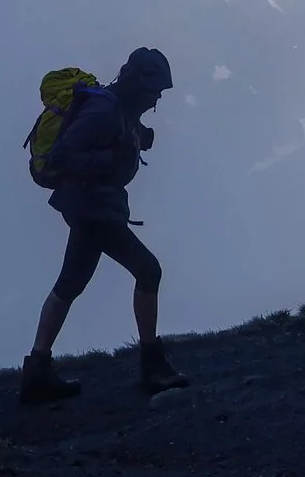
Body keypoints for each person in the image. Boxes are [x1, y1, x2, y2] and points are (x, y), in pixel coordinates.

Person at [19, 47, 189, 402]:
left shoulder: (118, 106)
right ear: (139, 85)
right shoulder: (105, 108)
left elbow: (109, 137)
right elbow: (65, 155)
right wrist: (115, 156)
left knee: (71, 283)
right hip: (90, 207)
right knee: (148, 270)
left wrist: (140, 138)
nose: (157, 98)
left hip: (90, 205)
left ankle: (37, 369)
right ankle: (152, 366)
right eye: (155, 90)